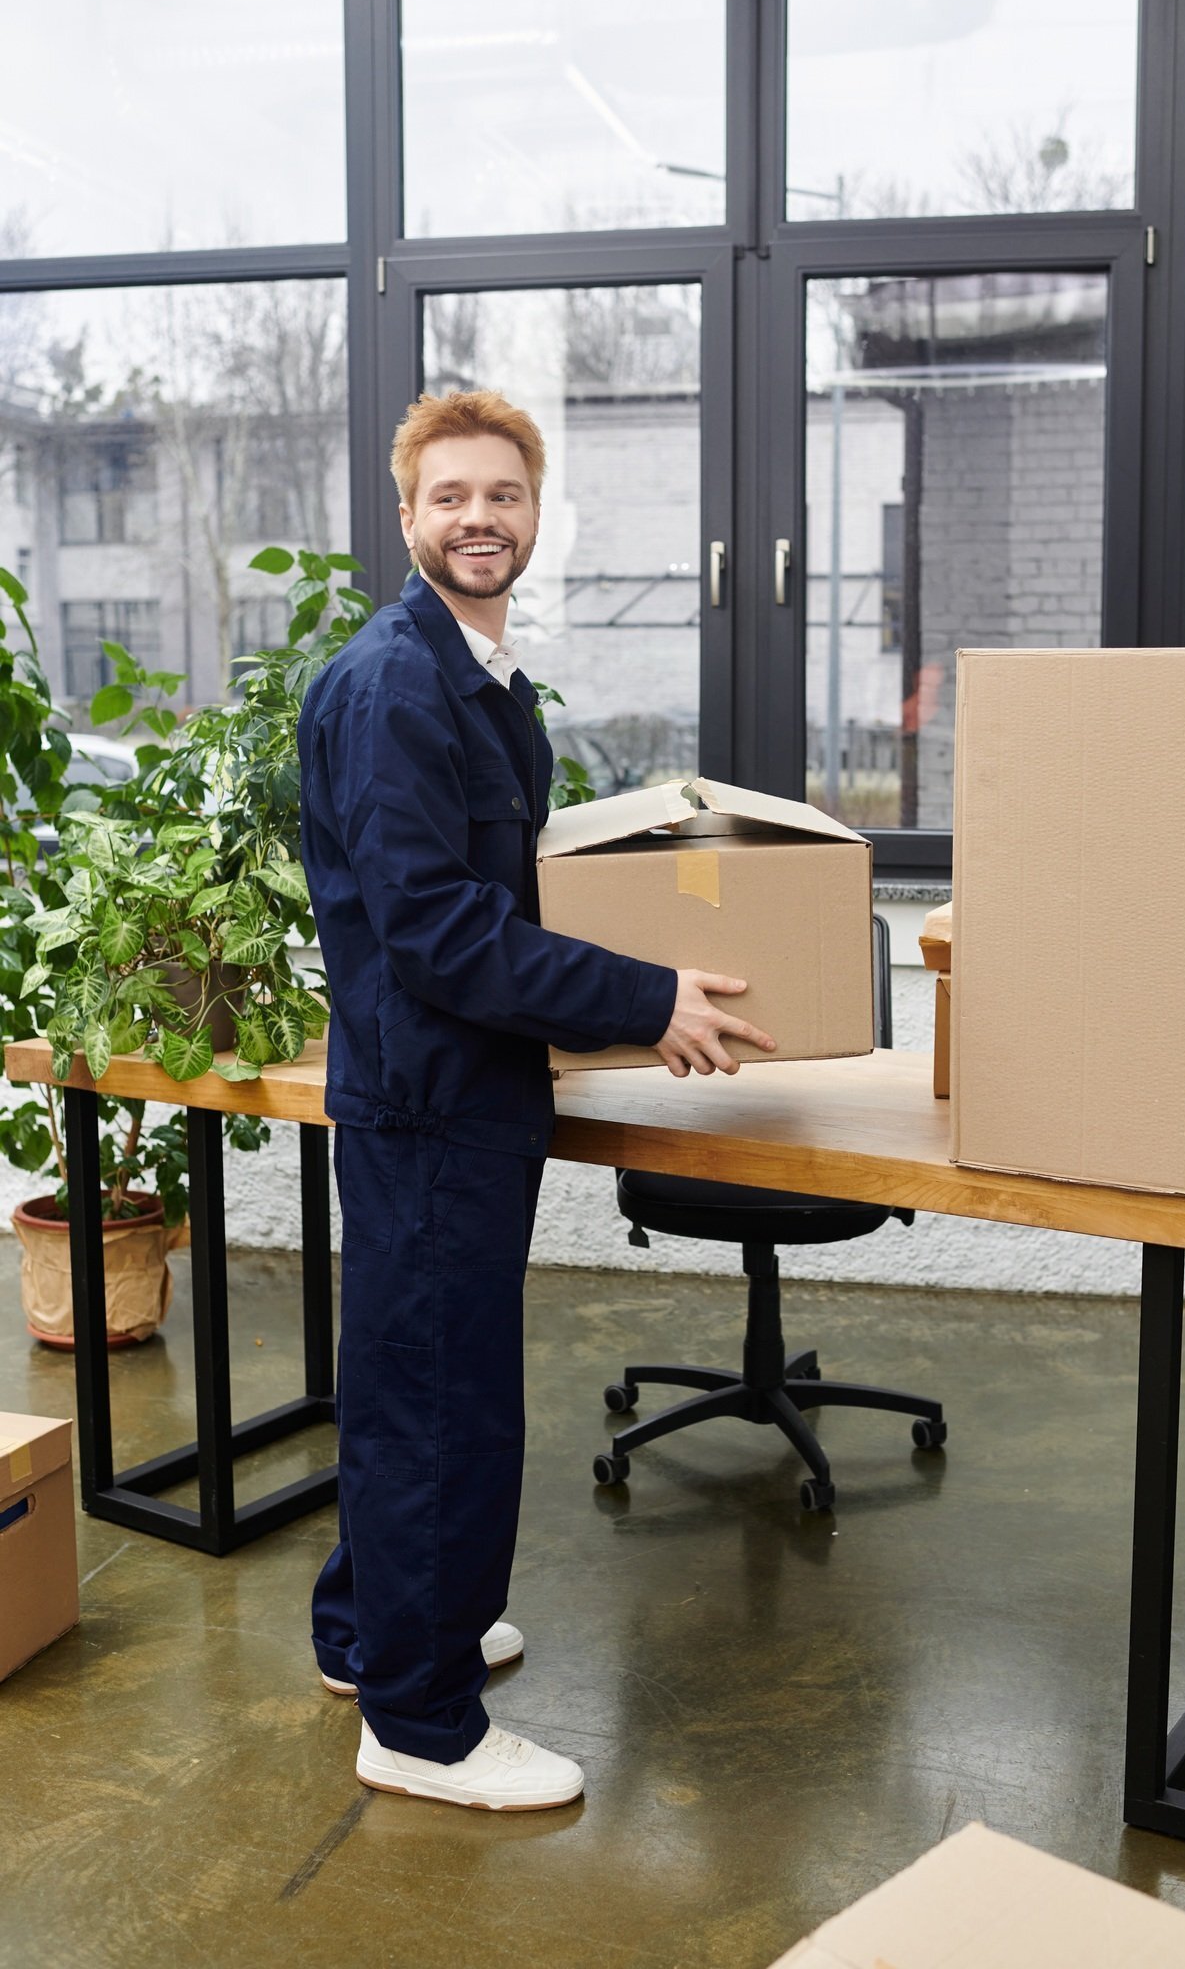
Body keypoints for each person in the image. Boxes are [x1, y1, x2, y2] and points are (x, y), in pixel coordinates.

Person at [297, 389, 775, 1811]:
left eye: (501, 495)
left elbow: (499, 892)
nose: (477, 518)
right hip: (431, 1103)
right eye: (448, 497)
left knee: (410, 1381)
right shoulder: (397, 685)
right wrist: (646, 998)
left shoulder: (475, 677)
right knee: (439, 1409)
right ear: (406, 517)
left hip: (459, 1094)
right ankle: (422, 1724)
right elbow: (439, 927)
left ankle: (367, 1638)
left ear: (534, 511)